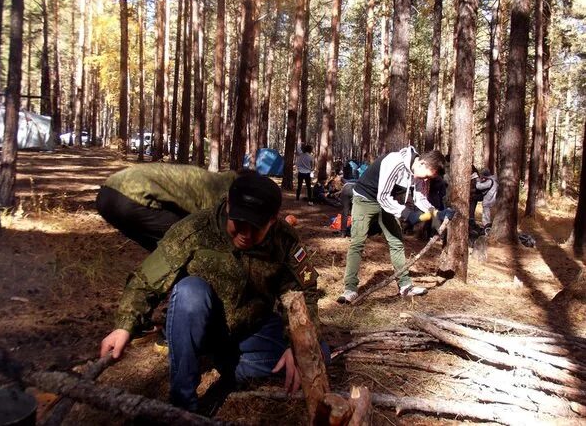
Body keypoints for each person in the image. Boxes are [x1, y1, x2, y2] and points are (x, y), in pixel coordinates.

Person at [99, 173, 328, 411]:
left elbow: (305, 292)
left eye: (256, 227)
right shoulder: (196, 229)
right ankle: (183, 404)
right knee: (189, 292)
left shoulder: (284, 240)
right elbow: (146, 279)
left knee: (318, 352)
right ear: (228, 205)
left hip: (252, 329)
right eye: (239, 222)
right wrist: (124, 325)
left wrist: (297, 345)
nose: (245, 234)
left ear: (272, 220)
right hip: (205, 328)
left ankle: (225, 364)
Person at [337, 146, 454, 303]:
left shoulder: (419, 173)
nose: (426, 180)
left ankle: (405, 286)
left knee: (396, 242)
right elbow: (383, 197)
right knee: (357, 242)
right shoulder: (395, 162)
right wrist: (408, 214)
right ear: (423, 163)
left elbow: (420, 198)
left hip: (386, 203)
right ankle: (350, 289)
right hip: (365, 199)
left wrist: (437, 213)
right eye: (427, 176)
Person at [96, 164, 237, 251]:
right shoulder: (220, 191)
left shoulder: (210, 179)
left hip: (106, 194)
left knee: (160, 246)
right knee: (186, 240)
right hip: (131, 196)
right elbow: (210, 226)